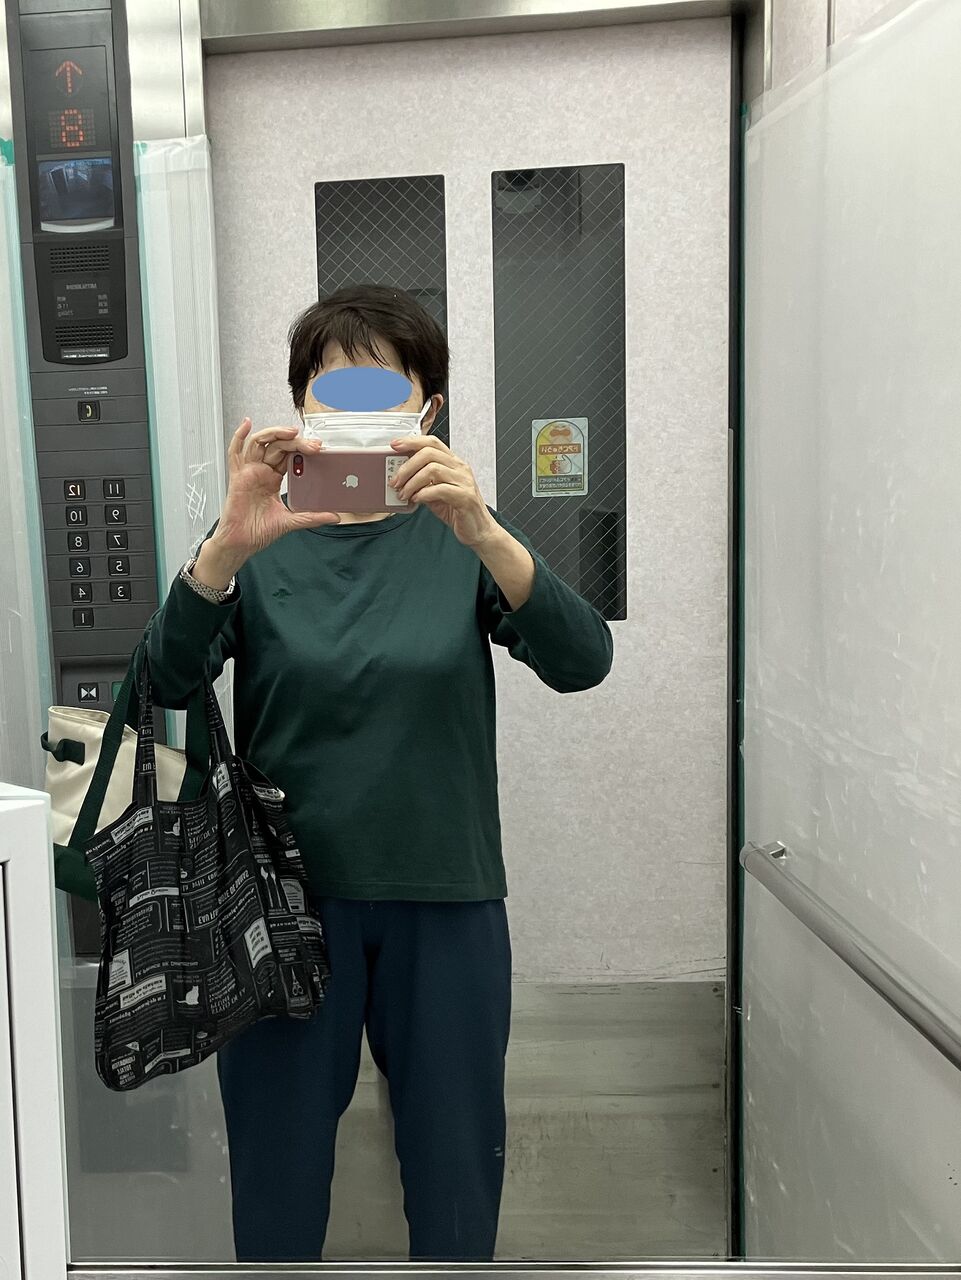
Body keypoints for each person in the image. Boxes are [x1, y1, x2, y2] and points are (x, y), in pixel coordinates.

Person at [137, 284, 613, 1263]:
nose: (354, 413)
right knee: (276, 1187)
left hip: (444, 896)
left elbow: (581, 661)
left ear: (426, 408)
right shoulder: (261, 538)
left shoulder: (460, 534)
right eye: (331, 387)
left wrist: (485, 530)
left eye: (380, 390)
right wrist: (223, 550)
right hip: (277, 906)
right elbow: (160, 683)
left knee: (453, 1182)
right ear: (300, 406)